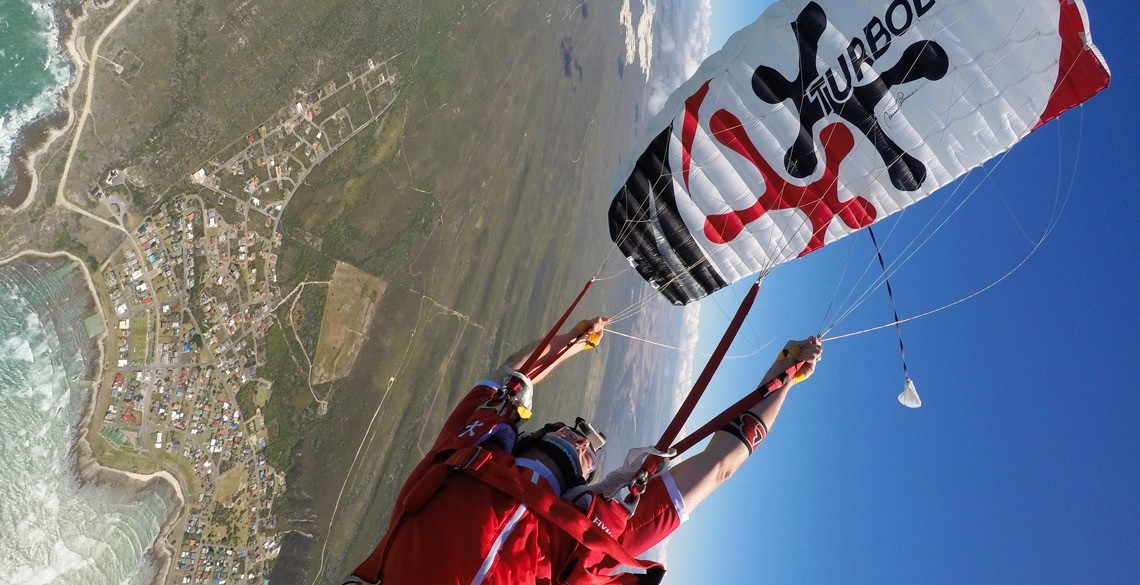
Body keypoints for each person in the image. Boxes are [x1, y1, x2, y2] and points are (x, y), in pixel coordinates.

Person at [345, 317, 822, 584]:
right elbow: (515, 376)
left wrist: (783, 375)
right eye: (580, 432)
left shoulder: (588, 539)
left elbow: (720, 464)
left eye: (591, 448)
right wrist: (573, 343)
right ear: (535, 436)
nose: (586, 442)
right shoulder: (468, 451)